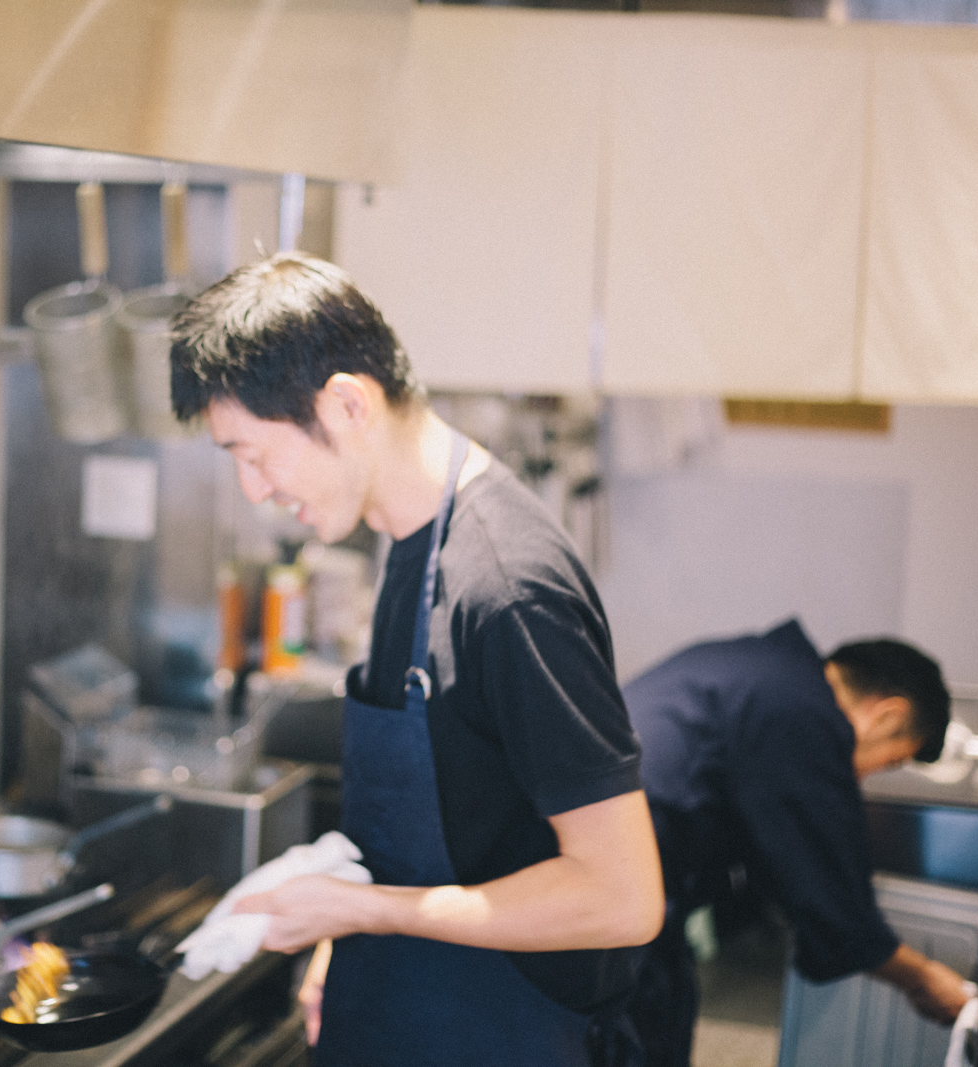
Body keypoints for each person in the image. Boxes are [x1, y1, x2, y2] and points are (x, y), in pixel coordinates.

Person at [169, 251, 665, 1067]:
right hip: (412, 1008)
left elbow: (621, 897)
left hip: (504, 1034)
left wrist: (365, 914)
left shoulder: (507, 590)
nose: (254, 491)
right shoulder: (408, 538)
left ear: (347, 404)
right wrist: (345, 931)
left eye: (255, 454)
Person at [619, 619, 973, 1067]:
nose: (864, 777)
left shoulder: (766, 672)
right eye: (893, 760)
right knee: (638, 1041)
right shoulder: (802, 715)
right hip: (619, 900)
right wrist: (920, 976)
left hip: (599, 869)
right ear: (889, 715)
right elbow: (831, 899)